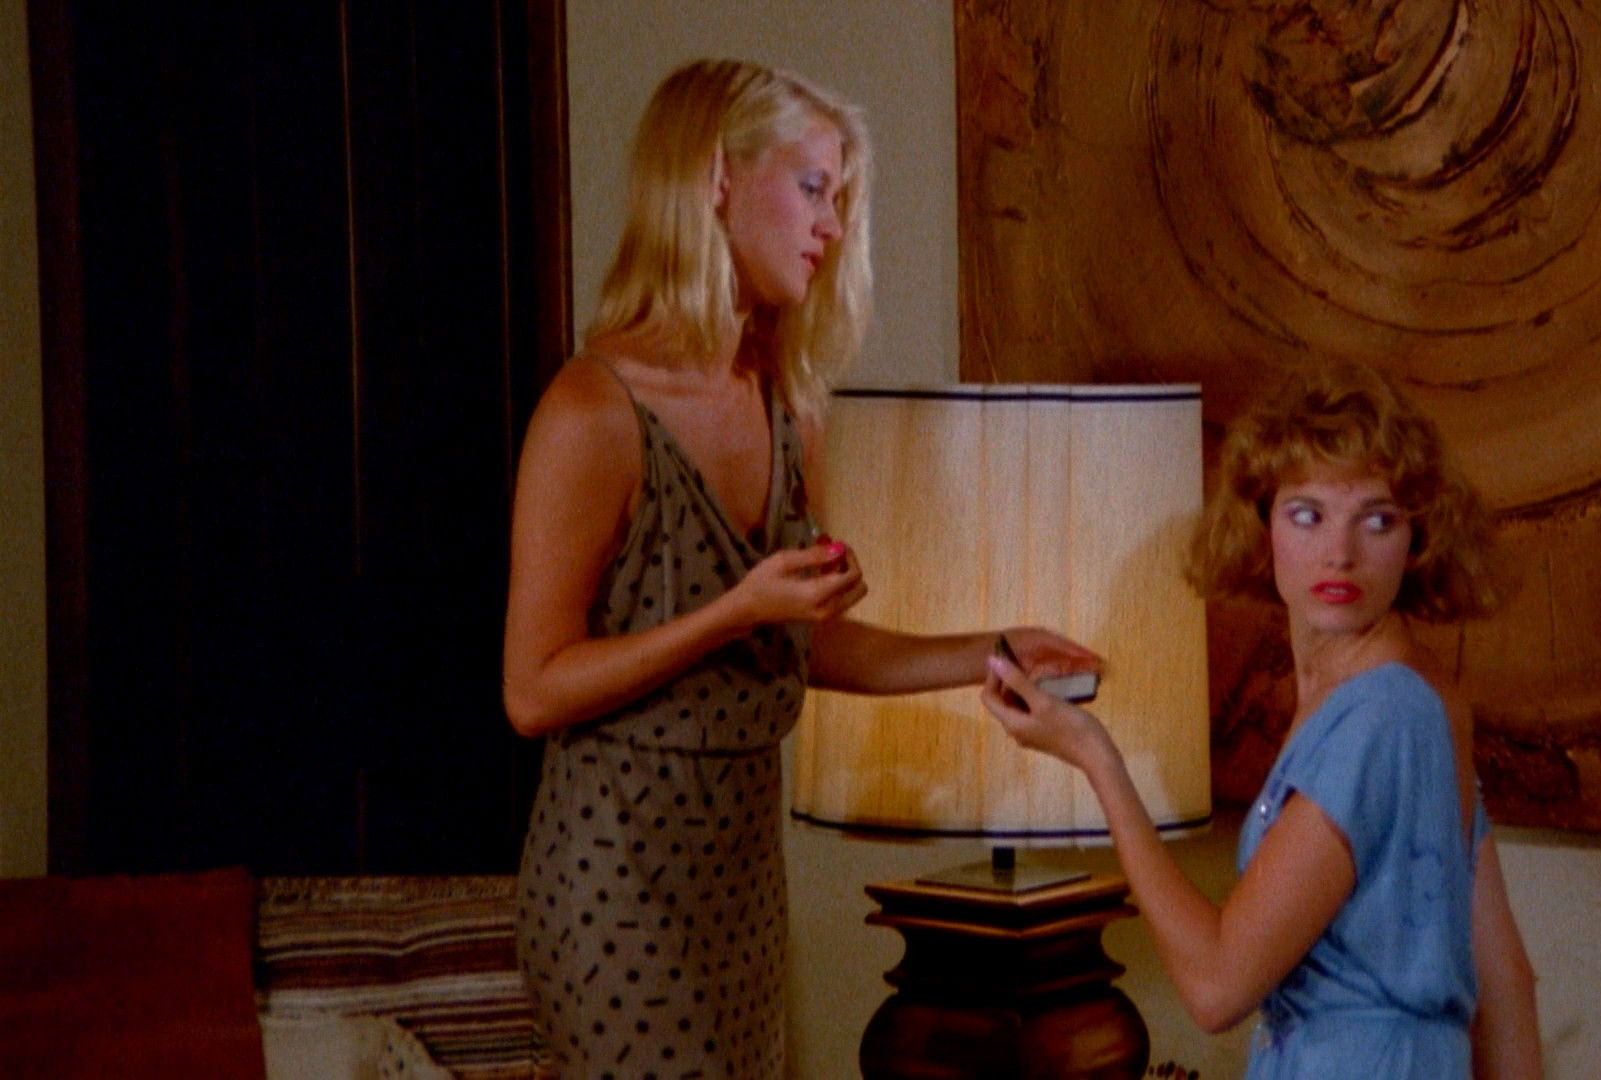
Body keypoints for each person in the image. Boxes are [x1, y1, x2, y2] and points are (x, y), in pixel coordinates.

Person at [501, 59, 1096, 1080]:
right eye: (813, 187)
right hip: (613, 880)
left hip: (738, 876)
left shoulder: (788, 404)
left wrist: (992, 651)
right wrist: (735, 610)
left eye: (840, 198)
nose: (831, 225)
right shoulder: (592, 411)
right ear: (714, 179)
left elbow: (809, 646)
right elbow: (533, 690)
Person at [981, 362, 1543, 1078]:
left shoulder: (1383, 715)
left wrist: (1097, 759)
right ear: (1262, 525)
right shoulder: (1418, 698)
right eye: (1308, 515)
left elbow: (1216, 987)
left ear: (1417, 537)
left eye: (1376, 520)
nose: (1340, 554)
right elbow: (1506, 981)